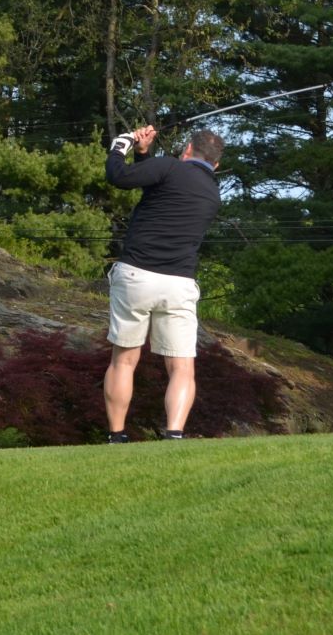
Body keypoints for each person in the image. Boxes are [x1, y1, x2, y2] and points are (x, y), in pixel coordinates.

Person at [101, 123, 224, 441]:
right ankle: (174, 435)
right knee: (182, 368)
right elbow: (157, 186)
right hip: (178, 285)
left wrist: (122, 146)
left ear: (186, 151)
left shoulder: (169, 167)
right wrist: (144, 155)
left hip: (136, 277)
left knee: (125, 360)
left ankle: (117, 436)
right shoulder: (212, 193)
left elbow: (119, 176)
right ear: (216, 165)